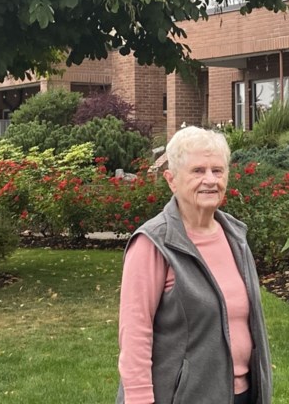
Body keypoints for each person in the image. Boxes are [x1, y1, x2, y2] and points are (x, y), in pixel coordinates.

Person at [115, 126, 272, 404]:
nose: (210, 180)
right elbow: (135, 337)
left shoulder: (235, 236)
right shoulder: (153, 243)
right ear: (171, 180)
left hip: (244, 394)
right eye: (198, 171)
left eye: (218, 170)